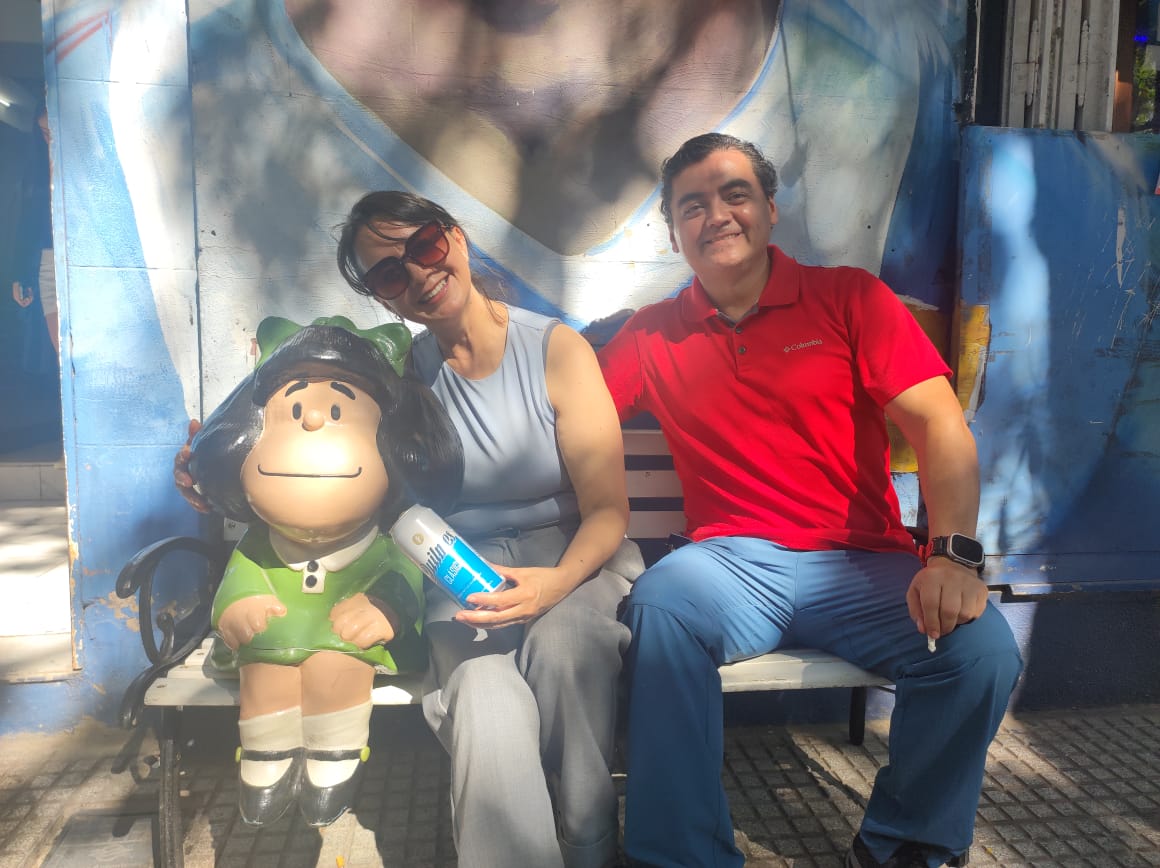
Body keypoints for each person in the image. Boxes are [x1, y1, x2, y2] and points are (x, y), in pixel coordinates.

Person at [596, 133, 1023, 868]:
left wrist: (952, 556)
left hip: (862, 563)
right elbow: (565, 421)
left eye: (735, 194)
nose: (716, 215)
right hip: (730, 567)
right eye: (692, 206)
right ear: (673, 233)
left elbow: (939, 425)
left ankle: (904, 845)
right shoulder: (650, 336)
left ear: (770, 208)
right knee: (660, 609)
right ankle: (680, 857)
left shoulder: (849, 298)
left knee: (980, 651)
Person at [177, 190, 638, 867]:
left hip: (573, 558)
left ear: (455, 237)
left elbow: (607, 511)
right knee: (482, 697)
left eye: (424, 246)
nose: (419, 274)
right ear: (382, 298)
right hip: (456, 569)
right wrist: (204, 464)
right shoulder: (401, 374)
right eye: (391, 274)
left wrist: (552, 585)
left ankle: (589, 845)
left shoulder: (553, 348)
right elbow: (289, 398)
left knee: (567, 652)